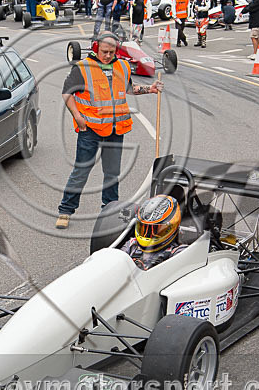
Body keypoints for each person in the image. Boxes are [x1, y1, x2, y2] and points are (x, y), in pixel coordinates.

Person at [55, 32, 163, 229]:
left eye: (112, 52)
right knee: (81, 171)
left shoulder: (122, 66)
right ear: (96, 48)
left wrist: (151, 89)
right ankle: (66, 210)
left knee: (112, 173)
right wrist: (78, 117)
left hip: (115, 129)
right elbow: (67, 94)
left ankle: (109, 211)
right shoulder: (82, 68)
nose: (107, 55)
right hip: (90, 129)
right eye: (104, 51)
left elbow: (129, 89)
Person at [121, 195, 186, 271]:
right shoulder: (132, 244)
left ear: (170, 228)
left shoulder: (179, 252)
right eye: (144, 228)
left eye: (155, 230)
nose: (148, 234)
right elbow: (116, 261)